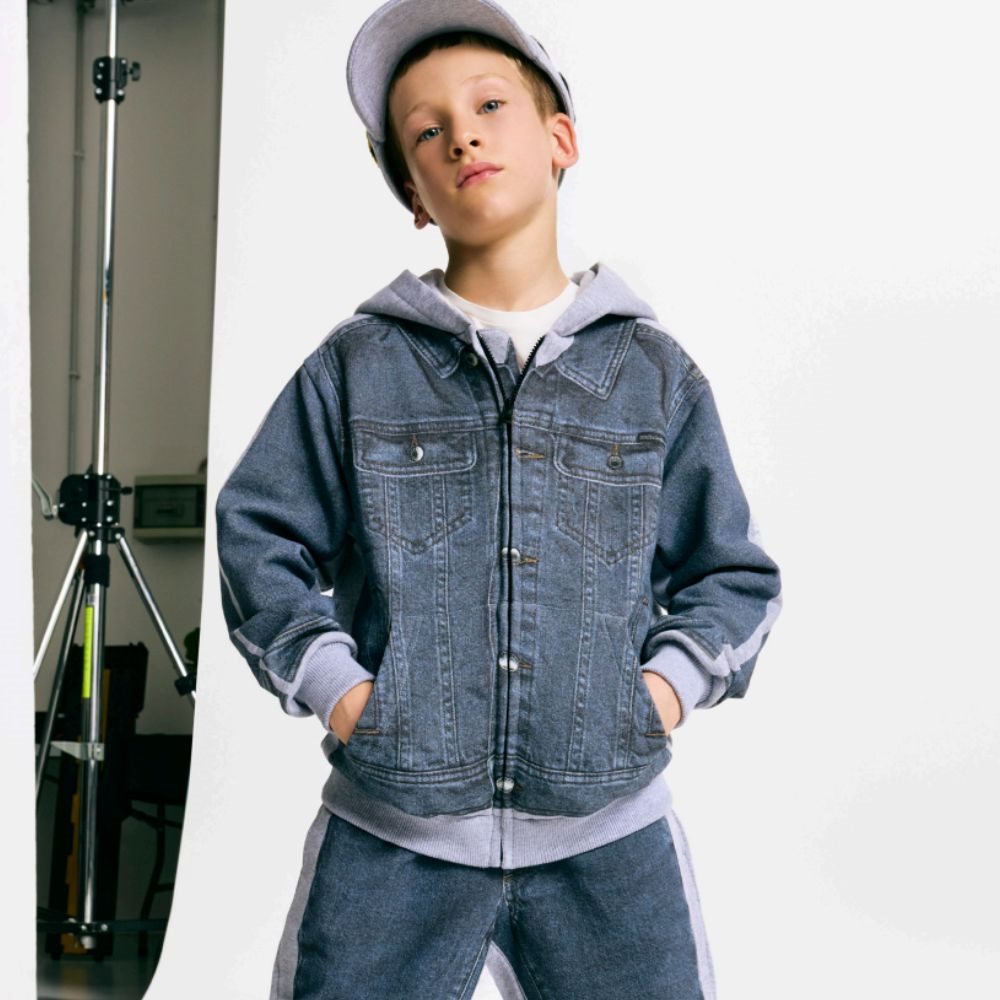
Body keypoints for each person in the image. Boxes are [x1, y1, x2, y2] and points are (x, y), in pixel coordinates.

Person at [215, 1, 782, 996]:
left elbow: (731, 574)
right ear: (414, 194)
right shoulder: (356, 368)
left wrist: (654, 698)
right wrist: (348, 697)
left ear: (560, 139)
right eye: (426, 131)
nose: (461, 136)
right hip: (390, 837)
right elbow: (258, 535)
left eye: (488, 106)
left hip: (608, 841)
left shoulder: (652, 374)